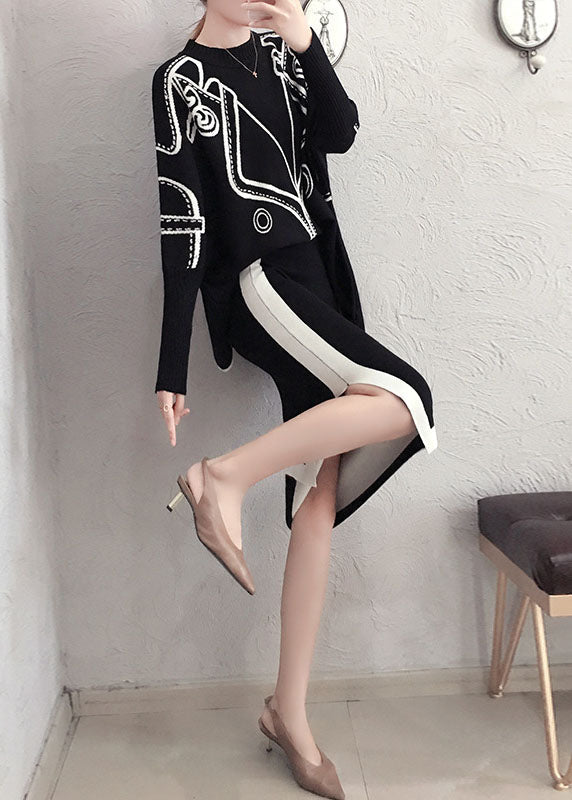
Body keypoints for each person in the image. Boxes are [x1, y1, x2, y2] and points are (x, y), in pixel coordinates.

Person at [152, 1, 438, 796]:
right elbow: (182, 222)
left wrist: (307, 43)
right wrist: (172, 367)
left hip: (318, 283)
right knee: (408, 396)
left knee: (320, 492)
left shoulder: (284, 57)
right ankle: (222, 476)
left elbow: (340, 133)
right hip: (260, 281)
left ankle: (289, 713)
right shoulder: (179, 80)